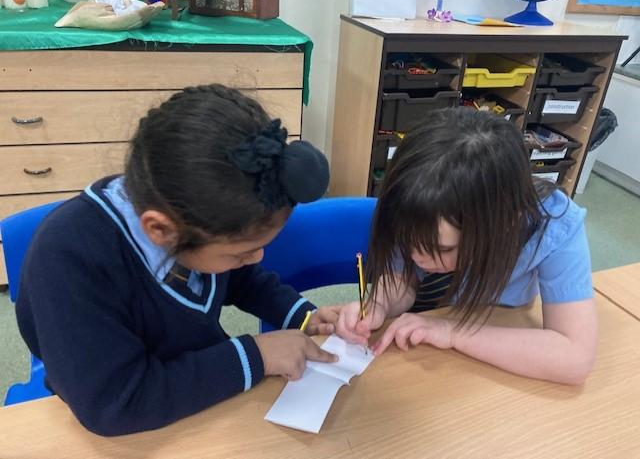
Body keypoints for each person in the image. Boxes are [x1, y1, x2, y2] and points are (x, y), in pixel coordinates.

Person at [16, 84, 341, 436]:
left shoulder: (192, 211)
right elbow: (116, 404)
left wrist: (303, 316)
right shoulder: (67, 261)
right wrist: (257, 355)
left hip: (201, 393)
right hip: (129, 418)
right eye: (240, 252)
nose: (256, 258)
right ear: (160, 230)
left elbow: (239, 277)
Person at [336, 107, 596, 385]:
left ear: (503, 223)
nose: (416, 257)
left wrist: (453, 332)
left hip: (495, 345)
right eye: (408, 240)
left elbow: (575, 357)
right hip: (424, 348)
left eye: (441, 249)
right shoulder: (415, 199)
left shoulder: (553, 223)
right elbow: (402, 279)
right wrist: (380, 304)